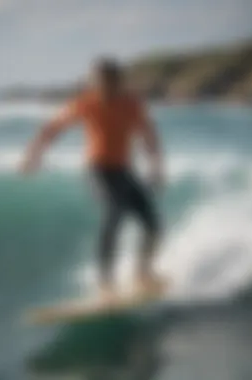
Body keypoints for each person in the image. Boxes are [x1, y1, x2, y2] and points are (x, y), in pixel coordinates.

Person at [20, 57, 165, 299]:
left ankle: (143, 273)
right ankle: (106, 282)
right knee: (115, 210)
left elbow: (149, 135)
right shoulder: (85, 103)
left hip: (124, 170)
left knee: (153, 225)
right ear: (93, 83)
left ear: (118, 82)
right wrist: (33, 156)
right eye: (98, 82)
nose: (104, 87)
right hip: (97, 169)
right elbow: (52, 128)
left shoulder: (131, 105)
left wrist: (156, 167)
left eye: (109, 82)